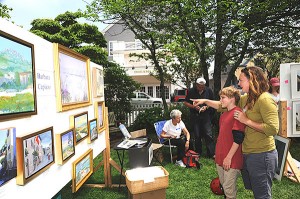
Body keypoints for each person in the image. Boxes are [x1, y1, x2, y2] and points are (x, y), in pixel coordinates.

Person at [192, 66, 279, 199]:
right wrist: (205, 101)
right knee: (255, 191)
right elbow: (223, 105)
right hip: (248, 153)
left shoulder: (265, 99)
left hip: (262, 155)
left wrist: (246, 121)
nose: (238, 83)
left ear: (252, 80)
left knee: (262, 195)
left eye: (241, 80)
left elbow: (273, 128)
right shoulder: (247, 99)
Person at [215, 86, 246, 198]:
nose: (220, 100)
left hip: (231, 159)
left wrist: (228, 157)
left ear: (232, 98)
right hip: (221, 157)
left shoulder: (237, 113)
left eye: (223, 97)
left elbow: (238, 138)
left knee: (229, 189)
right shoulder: (223, 115)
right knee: (224, 187)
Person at [183, 77, 215, 158]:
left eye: (202, 86)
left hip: (206, 115)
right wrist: (194, 107)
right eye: (199, 86)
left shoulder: (208, 91)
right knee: (197, 135)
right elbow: (186, 102)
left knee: (208, 134)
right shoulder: (191, 91)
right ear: (196, 85)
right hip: (195, 116)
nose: (201, 88)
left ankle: (211, 153)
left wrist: (206, 107)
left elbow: (213, 102)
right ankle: (198, 153)